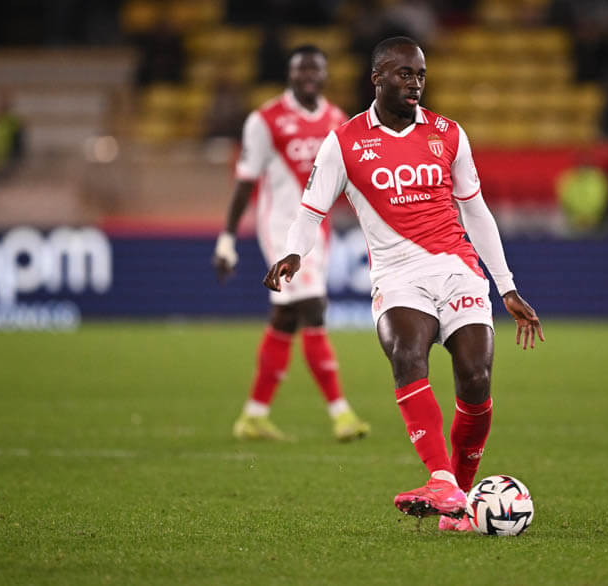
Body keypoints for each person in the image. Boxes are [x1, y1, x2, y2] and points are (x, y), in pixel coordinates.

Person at [264, 36, 544, 532]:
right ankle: (441, 478)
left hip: (457, 268)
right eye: (404, 74)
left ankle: (456, 499)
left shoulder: (448, 134)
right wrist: (293, 251)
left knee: (476, 377)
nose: (415, 83)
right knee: (406, 354)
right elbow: (310, 212)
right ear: (377, 78)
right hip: (397, 274)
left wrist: (506, 286)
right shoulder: (345, 142)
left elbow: (476, 212)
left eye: (420, 75)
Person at [214, 45, 371, 443]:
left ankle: (253, 415)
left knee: (285, 319)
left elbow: (351, 179)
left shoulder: (337, 119)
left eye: (315, 70)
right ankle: (341, 413)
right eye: (301, 70)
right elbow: (245, 182)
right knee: (313, 309)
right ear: (290, 74)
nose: (308, 77)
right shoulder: (265, 120)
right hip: (281, 231)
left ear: (325, 75)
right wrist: (228, 239)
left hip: (318, 230)